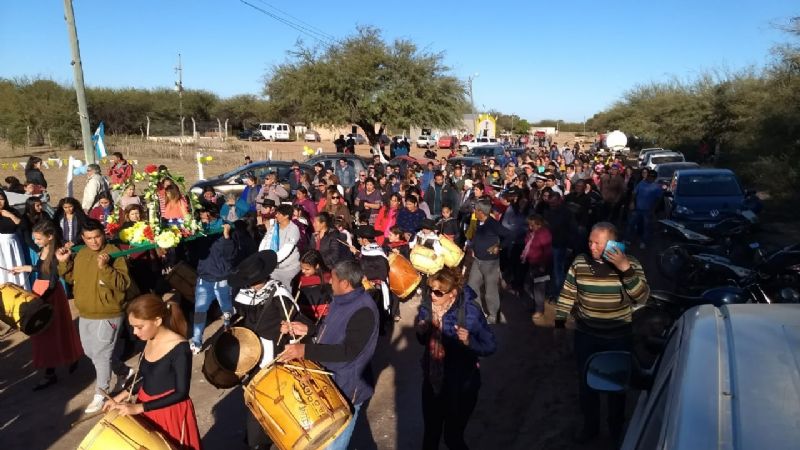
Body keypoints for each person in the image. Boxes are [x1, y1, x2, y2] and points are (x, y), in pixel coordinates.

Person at [554, 222, 650, 443]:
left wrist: (625, 269)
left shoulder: (630, 264)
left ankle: (616, 431)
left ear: (614, 244)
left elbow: (642, 297)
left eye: (597, 243)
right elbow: (568, 293)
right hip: (586, 337)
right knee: (587, 384)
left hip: (618, 338)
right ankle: (591, 428)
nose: (592, 246)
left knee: (617, 386)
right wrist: (559, 323)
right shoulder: (580, 262)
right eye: (590, 241)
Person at [279, 260, 380, 450]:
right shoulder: (340, 300)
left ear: (345, 283)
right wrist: (308, 330)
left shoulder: (364, 310)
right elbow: (329, 331)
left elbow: (348, 351)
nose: (329, 282)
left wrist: (304, 350)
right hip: (329, 381)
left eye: (332, 279)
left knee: (333, 446)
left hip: (348, 387)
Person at [103, 294, 201, 450]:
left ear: (157, 321)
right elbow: (145, 377)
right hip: (146, 405)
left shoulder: (180, 348)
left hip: (169, 412)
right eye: (132, 327)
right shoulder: (148, 339)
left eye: (139, 327)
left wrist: (138, 408)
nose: (134, 332)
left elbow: (181, 393)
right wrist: (120, 396)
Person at [56, 218, 133, 413]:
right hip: (86, 312)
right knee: (91, 352)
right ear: (83, 238)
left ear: (103, 234)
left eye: (97, 236)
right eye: (89, 238)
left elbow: (123, 284)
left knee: (101, 354)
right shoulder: (81, 254)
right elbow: (72, 278)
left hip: (109, 312)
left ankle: (102, 393)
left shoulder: (115, 253)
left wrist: (105, 268)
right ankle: (125, 372)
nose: (94, 242)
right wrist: (64, 264)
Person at [229, 250, 303, 449]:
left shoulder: (278, 294)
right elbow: (242, 319)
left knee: (276, 394)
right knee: (257, 394)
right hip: (251, 350)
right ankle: (258, 436)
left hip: (275, 351)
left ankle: (276, 432)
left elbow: (294, 321)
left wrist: (289, 332)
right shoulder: (242, 296)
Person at [416, 267, 496, 450]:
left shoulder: (471, 312)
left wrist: (469, 342)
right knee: (430, 435)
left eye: (438, 292)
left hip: (461, 386)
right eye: (430, 290)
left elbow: (490, 346)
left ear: (452, 293)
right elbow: (423, 341)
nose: (432, 295)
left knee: (453, 437)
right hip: (433, 381)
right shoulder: (428, 308)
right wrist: (422, 332)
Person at [11, 220, 83, 390]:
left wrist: (41, 300)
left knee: (50, 333)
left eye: (38, 239)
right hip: (40, 291)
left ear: (50, 237)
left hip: (49, 296)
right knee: (45, 335)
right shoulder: (44, 249)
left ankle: (52, 372)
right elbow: (40, 269)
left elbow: (52, 280)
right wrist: (24, 268)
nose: (36, 242)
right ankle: (61, 363)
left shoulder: (57, 252)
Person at [188, 223, 237, 354]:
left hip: (222, 281)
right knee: (199, 312)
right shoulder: (199, 235)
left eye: (207, 216)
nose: (205, 219)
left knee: (226, 308)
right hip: (204, 281)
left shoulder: (224, 232)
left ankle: (228, 330)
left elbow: (231, 255)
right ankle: (196, 341)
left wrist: (226, 237)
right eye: (202, 216)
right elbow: (192, 255)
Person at [466, 200, 510, 325]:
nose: (474, 211)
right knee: (472, 286)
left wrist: (499, 246)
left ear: (481, 212)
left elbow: (509, 235)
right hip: (478, 261)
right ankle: (478, 311)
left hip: (490, 263)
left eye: (476, 209)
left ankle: (493, 316)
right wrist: (472, 246)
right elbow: (477, 237)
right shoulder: (480, 222)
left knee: (490, 291)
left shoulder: (493, 224)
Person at [259, 204, 302, 288]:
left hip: (288, 268)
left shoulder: (293, 229)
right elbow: (265, 241)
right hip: (273, 266)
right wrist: (261, 257)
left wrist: (271, 261)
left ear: (286, 216)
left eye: (278, 214)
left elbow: (287, 249)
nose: (276, 215)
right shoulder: (274, 228)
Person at [520, 215, 552, 322]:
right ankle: (535, 304)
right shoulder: (531, 233)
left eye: (532, 225)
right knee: (527, 285)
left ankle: (539, 309)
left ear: (539, 224)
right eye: (529, 225)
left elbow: (547, 252)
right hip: (532, 264)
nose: (530, 227)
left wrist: (543, 265)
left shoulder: (544, 234)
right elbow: (527, 244)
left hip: (541, 265)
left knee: (539, 289)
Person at [626, 169, 662, 249]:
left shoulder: (657, 187)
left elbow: (658, 199)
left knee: (646, 227)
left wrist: (653, 209)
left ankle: (643, 242)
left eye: (652, 177)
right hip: (637, 209)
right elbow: (634, 193)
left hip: (648, 210)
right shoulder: (641, 183)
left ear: (655, 178)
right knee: (631, 224)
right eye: (649, 176)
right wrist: (632, 202)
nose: (650, 178)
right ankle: (627, 240)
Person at [0, 190, 28, 287]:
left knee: (15, 266)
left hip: (12, 244)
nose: (0, 202)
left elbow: (23, 226)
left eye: (2, 199)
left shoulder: (12, 211)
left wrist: (10, 215)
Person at [297, 250, 332, 322]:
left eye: (307, 269)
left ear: (317, 266)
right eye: (302, 268)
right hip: (304, 317)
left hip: (323, 318)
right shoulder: (299, 279)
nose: (303, 271)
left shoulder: (329, 279)